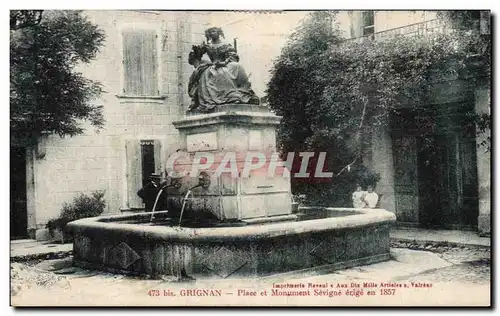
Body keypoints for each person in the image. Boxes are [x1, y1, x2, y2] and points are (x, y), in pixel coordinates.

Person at [187, 27, 260, 112]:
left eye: (214, 31)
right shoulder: (207, 46)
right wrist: (196, 52)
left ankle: (244, 92)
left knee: (237, 66)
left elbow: (232, 57)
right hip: (213, 66)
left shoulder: (226, 45)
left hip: (225, 63)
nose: (212, 33)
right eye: (210, 32)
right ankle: (230, 96)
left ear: (219, 33)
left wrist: (223, 63)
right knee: (221, 72)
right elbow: (195, 57)